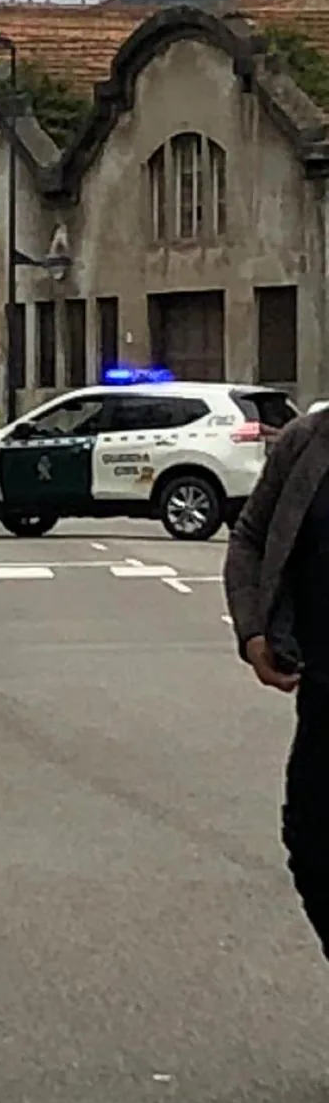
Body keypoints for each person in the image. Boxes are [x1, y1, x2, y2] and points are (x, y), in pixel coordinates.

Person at [225, 408, 329, 958]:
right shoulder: (308, 441)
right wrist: (254, 631)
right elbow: (250, 537)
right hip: (325, 695)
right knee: (312, 849)